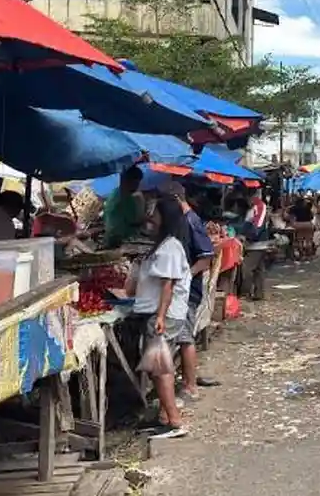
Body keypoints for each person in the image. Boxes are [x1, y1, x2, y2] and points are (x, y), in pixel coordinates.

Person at [125, 197, 191, 439]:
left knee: (160, 369)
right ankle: (165, 416)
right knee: (160, 367)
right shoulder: (161, 245)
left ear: (166, 217)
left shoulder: (171, 247)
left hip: (162, 314)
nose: (151, 217)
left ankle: (174, 421)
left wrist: (161, 316)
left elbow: (168, 286)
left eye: (155, 213)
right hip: (156, 312)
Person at [159, 181, 219, 401]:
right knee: (184, 337)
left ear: (175, 200)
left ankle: (190, 386)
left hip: (188, 292)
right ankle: (187, 381)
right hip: (184, 289)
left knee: (185, 338)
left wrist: (183, 277)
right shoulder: (184, 221)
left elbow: (205, 258)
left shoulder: (191, 221)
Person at [104, 166, 146, 247]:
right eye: (136, 183)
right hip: (118, 239)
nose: (137, 186)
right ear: (128, 181)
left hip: (114, 236)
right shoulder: (125, 198)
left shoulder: (116, 193)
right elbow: (135, 221)